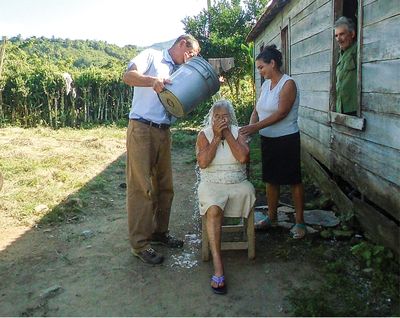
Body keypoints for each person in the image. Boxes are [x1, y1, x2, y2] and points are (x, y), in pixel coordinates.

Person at [122, 35, 201, 265]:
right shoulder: (152, 55)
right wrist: (152, 81)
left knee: (165, 187)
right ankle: (140, 244)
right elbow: (128, 76)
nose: (191, 59)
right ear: (181, 44)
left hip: (163, 131)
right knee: (140, 188)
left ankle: (159, 233)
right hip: (141, 128)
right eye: (191, 54)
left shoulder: (182, 71)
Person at [240, 44, 306, 239]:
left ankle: (300, 222)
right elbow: (257, 110)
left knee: (293, 180)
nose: (259, 71)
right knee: (271, 179)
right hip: (268, 140)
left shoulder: (288, 84)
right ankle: (271, 217)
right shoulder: (265, 85)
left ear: (273, 63)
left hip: (286, 139)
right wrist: (249, 130)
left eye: (261, 67)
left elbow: (281, 113)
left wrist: (255, 128)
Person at [196, 100, 256, 294]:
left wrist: (228, 134)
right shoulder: (203, 135)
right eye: (217, 117)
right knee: (213, 209)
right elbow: (203, 163)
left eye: (225, 117)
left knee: (247, 191)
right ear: (211, 118)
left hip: (238, 183)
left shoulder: (240, 133)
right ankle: (218, 265)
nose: (221, 120)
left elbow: (242, 158)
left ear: (230, 118)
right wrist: (215, 138)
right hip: (211, 184)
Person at [334, 16, 357, 116]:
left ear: (352, 34)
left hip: (355, 109)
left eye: (342, 34)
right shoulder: (342, 55)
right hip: (342, 109)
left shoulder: (357, 50)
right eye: (336, 35)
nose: (338, 39)